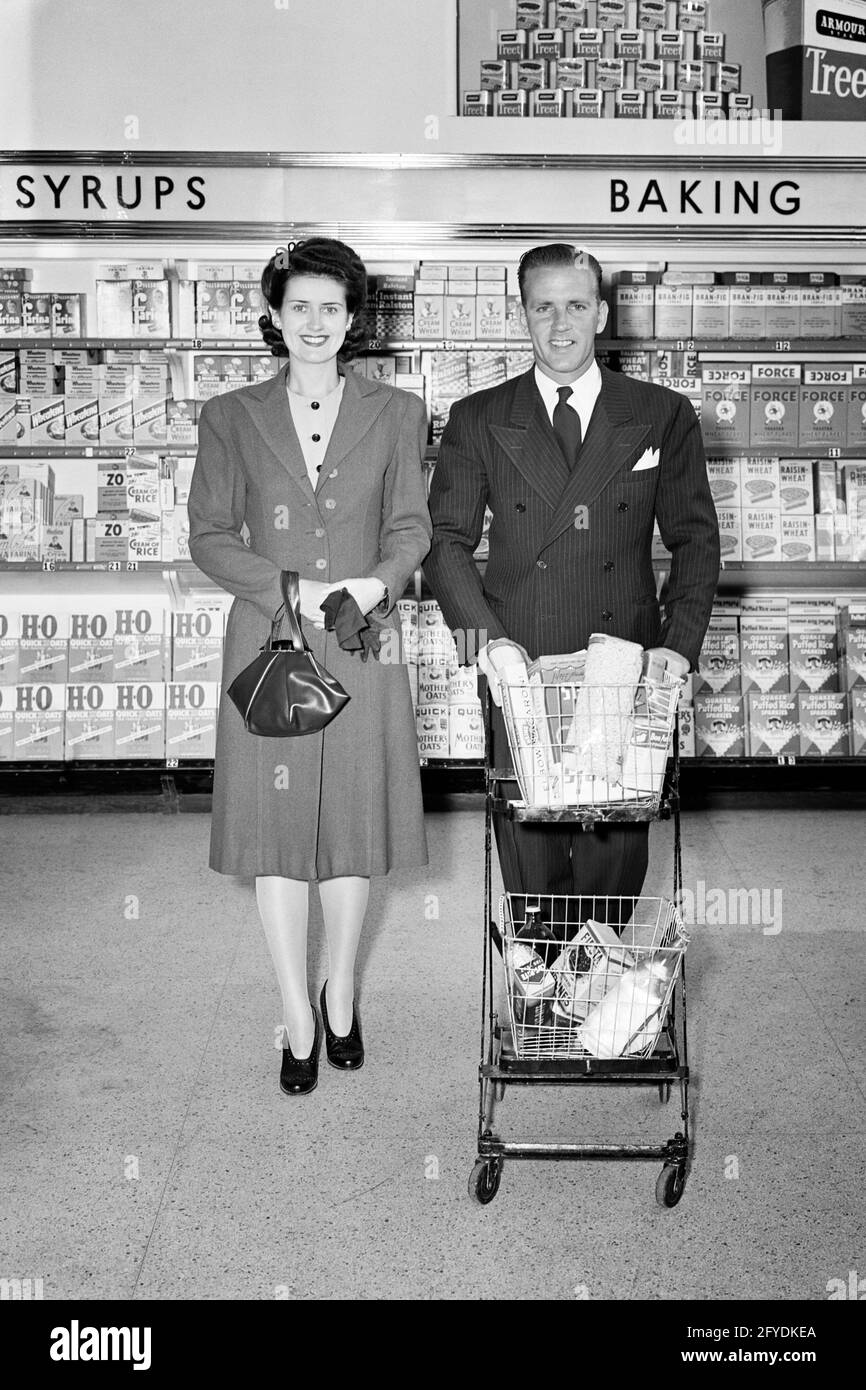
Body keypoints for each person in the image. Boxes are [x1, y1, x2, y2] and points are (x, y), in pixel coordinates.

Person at [188, 238, 431, 1095]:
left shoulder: (399, 412)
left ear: (354, 318)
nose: (316, 323)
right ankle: (296, 1013)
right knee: (279, 836)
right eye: (300, 308)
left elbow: (412, 527)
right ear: (275, 317)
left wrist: (372, 584)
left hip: (362, 637)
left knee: (355, 831)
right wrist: (291, 584)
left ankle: (341, 991)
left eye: (332, 307)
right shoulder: (230, 416)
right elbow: (209, 535)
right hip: (270, 640)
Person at [425, 243, 719, 931]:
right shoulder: (478, 417)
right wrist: (485, 648)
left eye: (577, 306)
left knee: (613, 860)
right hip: (518, 665)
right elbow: (445, 545)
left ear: (602, 313)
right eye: (544, 307)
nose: (561, 325)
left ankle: (605, 1009)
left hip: (625, 664)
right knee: (531, 862)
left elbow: (696, 540)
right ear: (520, 313)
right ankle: (538, 1012)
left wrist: (678, 648)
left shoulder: (660, 413)